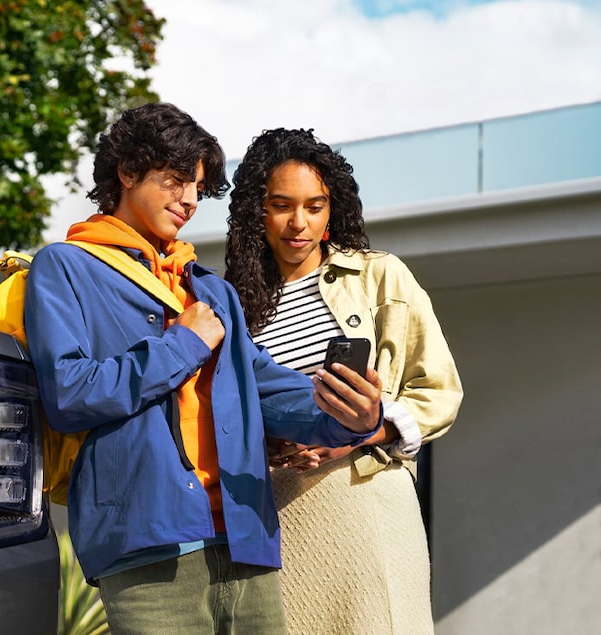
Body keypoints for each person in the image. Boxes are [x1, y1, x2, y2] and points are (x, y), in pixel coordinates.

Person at [23, 102, 384, 634]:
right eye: (175, 181)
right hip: (146, 548)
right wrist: (184, 345)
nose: (191, 200)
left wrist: (346, 415)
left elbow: (264, 389)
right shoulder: (64, 267)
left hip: (246, 537)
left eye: (197, 187)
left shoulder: (211, 291)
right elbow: (70, 394)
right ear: (127, 172)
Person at [224, 128, 464, 634]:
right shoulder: (233, 306)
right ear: (255, 212)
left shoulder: (381, 277)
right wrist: (267, 443)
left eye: (315, 207)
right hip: (277, 516)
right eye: (281, 206)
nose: (299, 223)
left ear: (332, 211)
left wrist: (361, 431)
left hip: (366, 500)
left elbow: (438, 391)